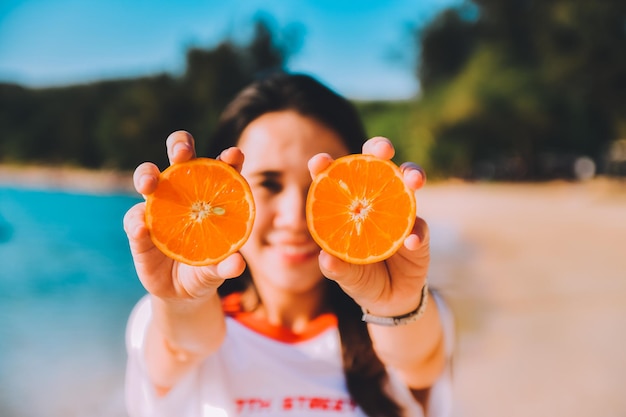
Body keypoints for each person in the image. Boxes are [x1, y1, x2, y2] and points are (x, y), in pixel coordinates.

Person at [123, 72, 454, 417]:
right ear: (225, 189)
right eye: (269, 183)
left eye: (319, 188)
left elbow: (418, 358)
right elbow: (182, 345)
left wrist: (395, 307)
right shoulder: (161, 321)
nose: (296, 216)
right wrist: (181, 302)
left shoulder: (409, 317)